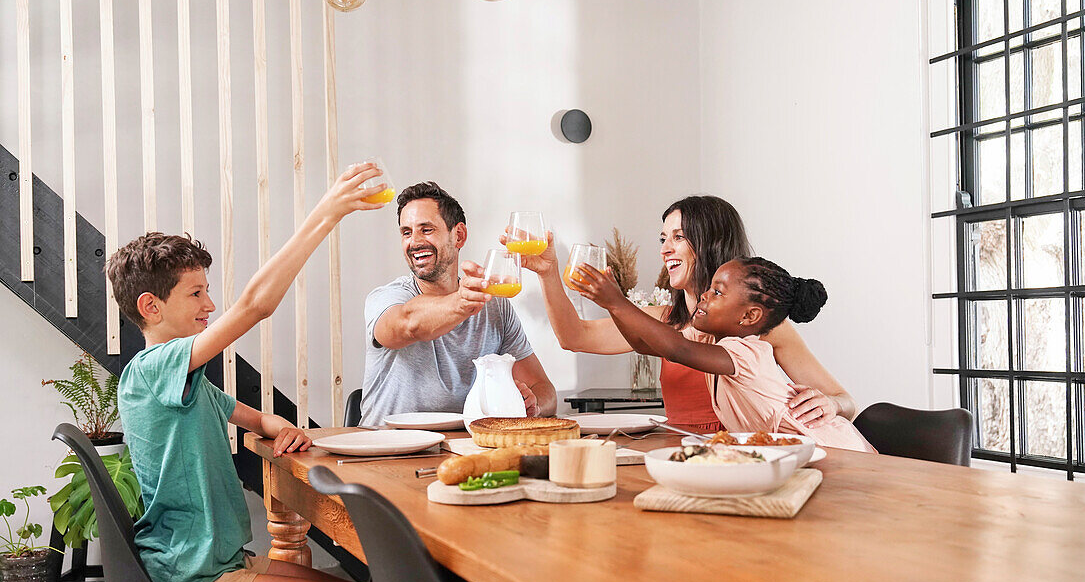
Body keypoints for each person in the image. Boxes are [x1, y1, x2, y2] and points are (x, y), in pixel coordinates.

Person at [108, 163, 387, 582]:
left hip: (215, 563)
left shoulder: (185, 382)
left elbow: (252, 417)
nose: (210, 305)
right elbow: (257, 305)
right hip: (196, 580)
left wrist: (273, 422)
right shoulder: (152, 371)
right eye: (195, 294)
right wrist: (326, 212)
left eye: (207, 291)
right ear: (151, 306)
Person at [509, 195, 856, 432]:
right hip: (682, 454)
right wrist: (547, 272)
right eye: (663, 238)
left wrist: (831, 404)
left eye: (678, 237)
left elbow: (845, 400)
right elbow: (574, 337)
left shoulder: (762, 327)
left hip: (746, 459)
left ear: (711, 243)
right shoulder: (663, 319)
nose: (665, 249)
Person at [572, 256, 874, 452]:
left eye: (717, 292)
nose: (704, 295)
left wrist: (618, 303)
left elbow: (676, 349)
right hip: (796, 451)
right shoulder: (713, 342)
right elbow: (644, 344)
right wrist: (615, 308)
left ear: (748, 316)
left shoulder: (746, 351)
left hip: (831, 449)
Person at [359, 181, 556, 426]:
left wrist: (533, 402)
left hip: (463, 448)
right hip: (386, 450)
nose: (414, 242)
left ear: (459, 235)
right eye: (406, 232)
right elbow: (407, 325)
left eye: (426, 229)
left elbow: (545, 390)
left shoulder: (496, 306)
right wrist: (461, 303)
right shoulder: (387, 297)